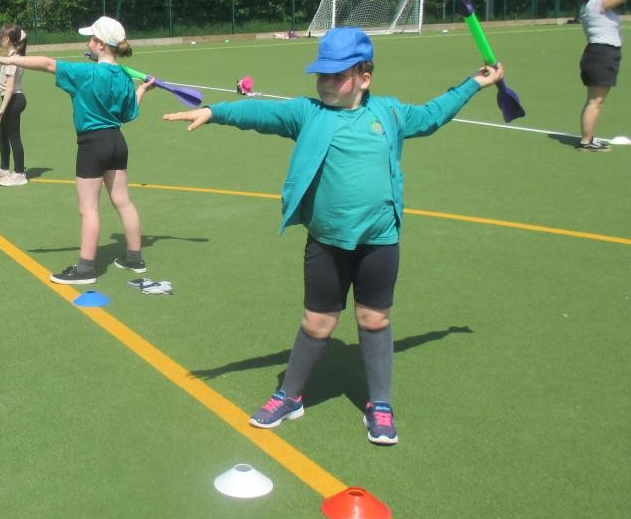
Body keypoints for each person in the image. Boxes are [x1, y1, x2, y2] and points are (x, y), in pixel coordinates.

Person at [163, 27, 505, 446]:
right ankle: (290, 395)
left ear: (365, 76)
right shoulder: (309, 114)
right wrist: (214, 113)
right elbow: (261, 115)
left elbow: (434, 114)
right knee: (317, 322)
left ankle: (379, 403)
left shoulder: (391, 114)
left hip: (379, 241)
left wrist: (475, 82)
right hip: (326, 242)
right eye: (321, 75)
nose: (326, 83)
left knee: (373, 319)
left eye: (337, 75)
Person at [0, 15, 154, 285]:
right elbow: (129, 112)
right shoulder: (122, 77)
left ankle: (85, 269)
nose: (88, 41)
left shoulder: (85, 73)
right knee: (123, 201)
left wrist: (10, 59)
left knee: (89, 209)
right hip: (116, 142)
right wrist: (142, 89)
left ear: (99, 44)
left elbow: (48, 64)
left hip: (92, 145)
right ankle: (134, 258)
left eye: (91, 38)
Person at [577, 0, 631, 151]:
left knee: (594, 100)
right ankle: (586, 141)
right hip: (601, 54)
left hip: (601, 54)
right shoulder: (598, 1)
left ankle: (588, 138)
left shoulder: (595, 3)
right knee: (595, 101)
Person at [0, 23, 29, 186]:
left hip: (13, 100)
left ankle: (19, 173)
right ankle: (4, 169)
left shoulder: (12, 60)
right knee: (1, 134)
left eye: (1, 37)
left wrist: (2, 108)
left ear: (7, 39)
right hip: (12, 100)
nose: (0, 40)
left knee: (14, 137)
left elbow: (9, 87)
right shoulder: (13, 57)